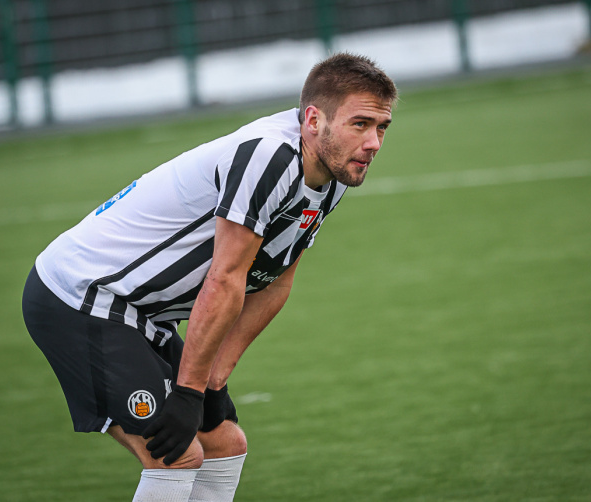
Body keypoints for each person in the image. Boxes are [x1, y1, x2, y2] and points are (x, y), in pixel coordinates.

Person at [22, 52, 397, 502]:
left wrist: (213, 380)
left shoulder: (332, 174)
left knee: (225, 445)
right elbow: (225, 278)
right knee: (175, 455)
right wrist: (188, 392)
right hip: (80, 298)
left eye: (381, 127)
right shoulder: (269, 156)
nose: (373, 143)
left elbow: (276, 279)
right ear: (314, 119)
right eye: (360, 124)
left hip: (142, 313)